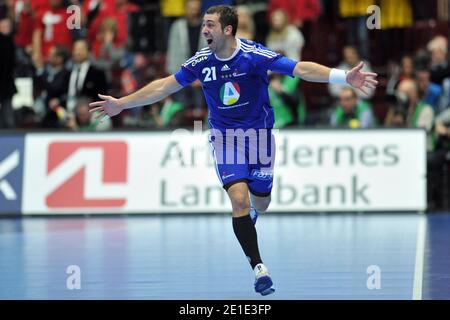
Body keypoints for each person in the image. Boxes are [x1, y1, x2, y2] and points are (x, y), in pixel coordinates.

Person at [89, 5, 377, 296]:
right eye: (203, 24)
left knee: (261, 203)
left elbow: (299, 68)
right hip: (226, 140)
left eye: (210, 25)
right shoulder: (202, 61)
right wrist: (122, 103)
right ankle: (259, 267)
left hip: (260, 138)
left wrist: (343, 77)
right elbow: (164, 87)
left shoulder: (253, 56)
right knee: (238, 200)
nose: (204, 30)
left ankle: (254, 210)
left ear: (227, 29)